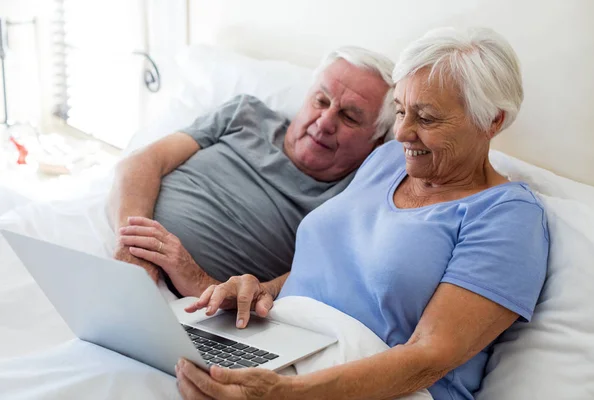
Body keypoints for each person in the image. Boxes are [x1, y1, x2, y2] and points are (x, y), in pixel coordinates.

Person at [175, 27, 549, 400]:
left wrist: (287, 394)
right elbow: (333, 266)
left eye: (427, 118)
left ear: (492, 121)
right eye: (401, 111)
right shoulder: (387, 160)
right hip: (285, 347)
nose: (402, 132)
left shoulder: (508, 216)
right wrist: (260, 290)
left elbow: (430, 357)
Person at [108, 47, 395, 297]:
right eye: (321, 101)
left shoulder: (356, 196)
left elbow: (313, 279)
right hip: (122, 250)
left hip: (195, 306)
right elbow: (143, 162)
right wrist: (134, 246)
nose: (324, 122)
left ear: (377, 142)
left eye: (349, 117)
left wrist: (199, 283)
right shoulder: (245, 114)